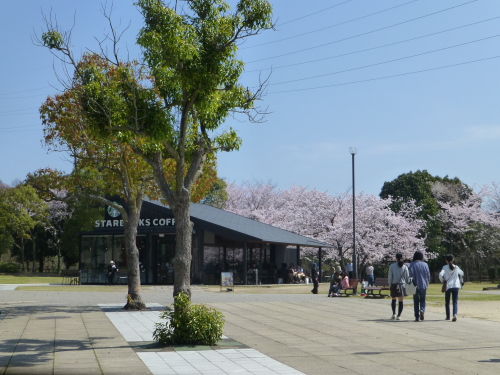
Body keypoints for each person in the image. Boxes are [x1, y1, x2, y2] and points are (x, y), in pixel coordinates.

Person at [439, 254, 464, 322]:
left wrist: (442, 281)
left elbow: (440, 275)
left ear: (446, 260)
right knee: (455, 301)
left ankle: (448, 316)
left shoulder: (444, 267)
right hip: (456, 285)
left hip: (448, 286)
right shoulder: (456, 267)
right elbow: (462, 273)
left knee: (447, 302)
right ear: (453, 260)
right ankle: (455, 314)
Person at [409, 250, 431, 322]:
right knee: (422, 299)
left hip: (414, 285)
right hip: (423, 284)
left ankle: (416, 316)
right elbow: (428, 275)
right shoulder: (425, 264)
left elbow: (410, 274)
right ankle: (422, 309)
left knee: (416, 301)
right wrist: (427, 282)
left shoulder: (411, 264)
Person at [388, 253, 409, 320]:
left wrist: (390, 285)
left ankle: (394, 314)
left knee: (394, 299)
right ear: (402, 258)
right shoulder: (405, 267)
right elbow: (407, 277)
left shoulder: (392, 266)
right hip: (402, 285)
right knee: (401, 301)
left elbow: (390, 277)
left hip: (394, 284)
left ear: (396, 258)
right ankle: (399, 315)